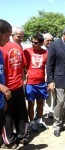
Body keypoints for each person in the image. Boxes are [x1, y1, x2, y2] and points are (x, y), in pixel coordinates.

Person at [1, 26, 29, 148]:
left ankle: (21, 135)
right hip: (6, 87)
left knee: (20, 113)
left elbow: (22, 66)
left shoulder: (17, 47)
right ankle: (10, 140)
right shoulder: (1, 47)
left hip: (17, 85)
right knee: (9, 116)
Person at [24, 33, 49, 133]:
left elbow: (49, 66)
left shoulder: (45, 52)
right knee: (30, 103)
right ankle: (31, 123)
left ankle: (39, 120)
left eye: (36, 43)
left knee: (40, 103)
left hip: (41, 83)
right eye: (32, 42)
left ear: (42, 43)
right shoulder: (27, 51)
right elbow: (23, 67)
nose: (33, 44)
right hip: (30, 83)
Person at [0, 19, 12, 147]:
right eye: (8, 36)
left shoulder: (0, 52)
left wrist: (2, 100)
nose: (9, 40)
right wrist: (3, 88)